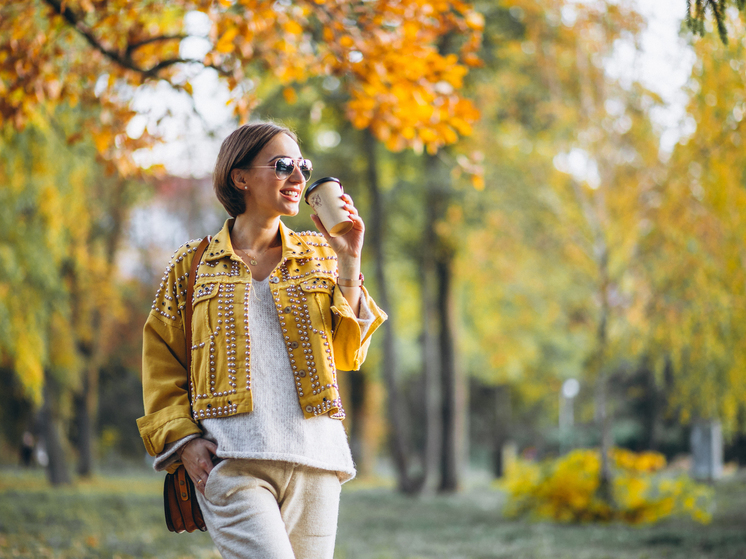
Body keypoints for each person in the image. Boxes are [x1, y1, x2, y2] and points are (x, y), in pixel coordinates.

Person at [137, 122, 387, 559]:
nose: (298, 178)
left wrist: (349, 261)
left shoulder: (320, 255)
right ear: (241, 177)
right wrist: (185, 440)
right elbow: (161, 359)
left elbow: (349, 353)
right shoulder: (190, 264)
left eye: (303, 167)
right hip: (234, 463)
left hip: (317, 463)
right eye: (283, 165)